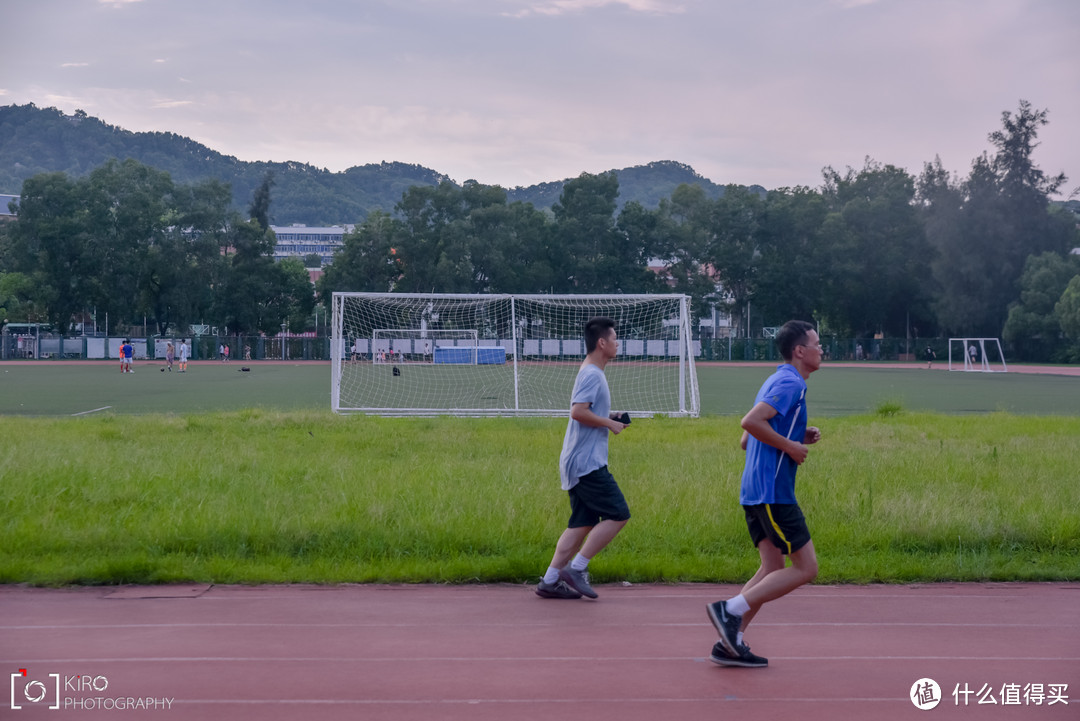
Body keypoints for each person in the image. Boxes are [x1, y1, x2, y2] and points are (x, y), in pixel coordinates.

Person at [707, 320, 823, 668]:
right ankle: (729, 611)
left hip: (754, 490)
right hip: (774, 492)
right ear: (799, 351)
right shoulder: (790, 383)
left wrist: (796, 434)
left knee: (773, 565)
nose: (821, 350)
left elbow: (748, 439)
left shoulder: (775, 379)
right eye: (817, 344)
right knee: (806, 568)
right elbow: (749, 423)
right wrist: (790, 446)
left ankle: (731, 641)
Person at [535, 316, 630, 601]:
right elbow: (577, 412)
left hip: (578, 460)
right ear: (602, 343)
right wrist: (609, 424)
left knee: (581, 523)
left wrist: (609, 415)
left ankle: (550, 580)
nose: (617, 343)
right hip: (587, 463)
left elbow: (586, 410)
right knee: (619, 514)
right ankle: (577, 568)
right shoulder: (592, 374)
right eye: (614, 339)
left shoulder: (591, 371)